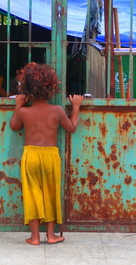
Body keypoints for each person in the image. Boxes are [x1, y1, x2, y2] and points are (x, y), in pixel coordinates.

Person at [9, 62, 84, 245]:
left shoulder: (25, 112)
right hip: (50, 156)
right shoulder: (57, 110)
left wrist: (18, 105)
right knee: (51, 194)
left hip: (31, 156)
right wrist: (76, 106)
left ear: (26, 88)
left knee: (32, 194)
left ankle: (34, 237)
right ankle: (51, 235)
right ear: (51, 87)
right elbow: (72, 128)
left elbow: (14, 127)